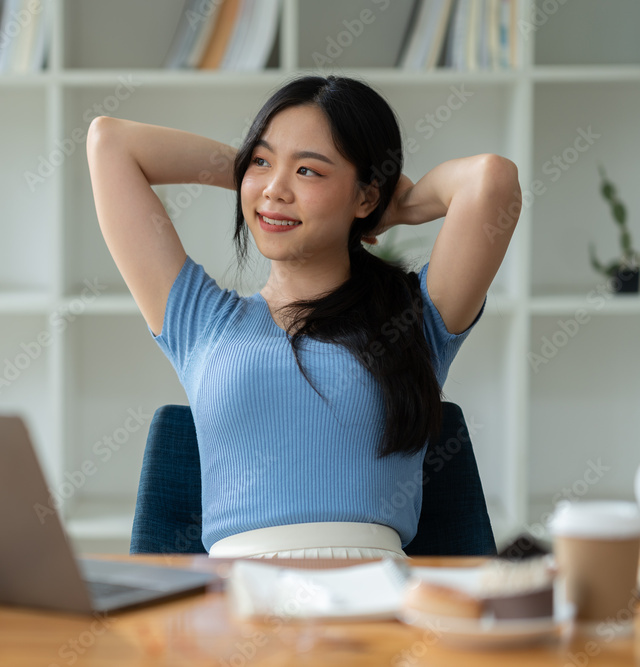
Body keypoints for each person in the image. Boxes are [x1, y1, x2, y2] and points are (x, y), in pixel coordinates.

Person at [85, 74, 521, 559]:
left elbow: (491, 179)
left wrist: (397, 207)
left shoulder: (415, 319)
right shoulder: (200, 320)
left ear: (365, 196)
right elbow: (110, 143)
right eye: (262, 161)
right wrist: (253, 177)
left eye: (309, 172)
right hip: (234, 604)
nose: (276, 190)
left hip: (374, 601)